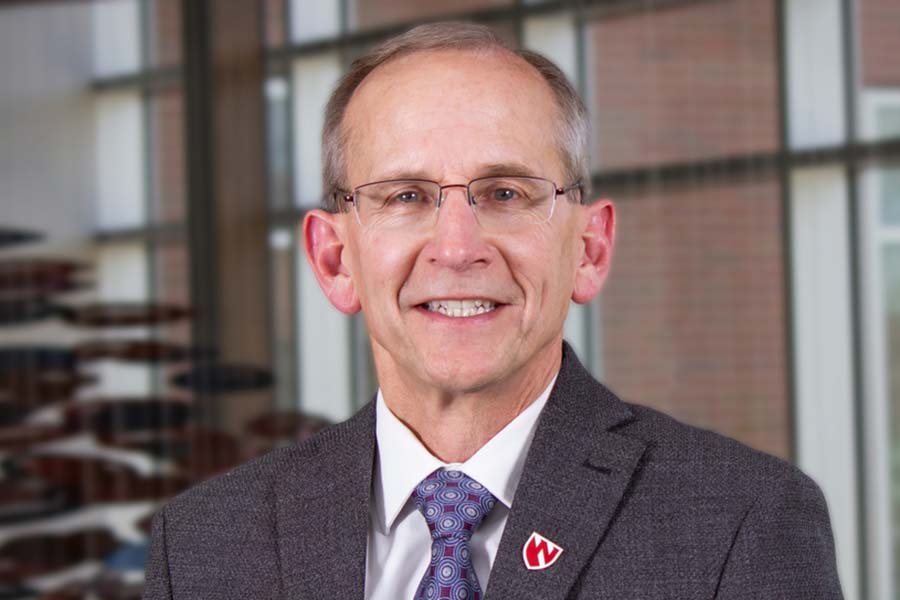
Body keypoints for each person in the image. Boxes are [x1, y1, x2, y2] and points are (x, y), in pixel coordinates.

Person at [142, 22, 843, 599]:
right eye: (405, 196)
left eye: (505, 193)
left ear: (590, 248)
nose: (457, 247)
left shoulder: (740, 520)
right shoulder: (204, 548)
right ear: (334, 259)